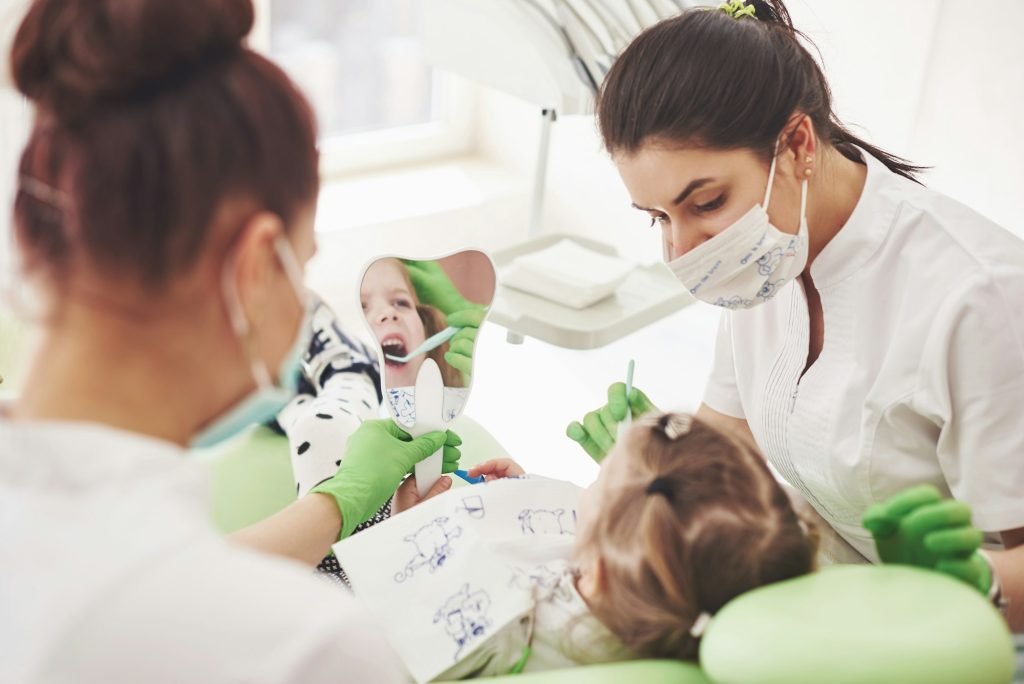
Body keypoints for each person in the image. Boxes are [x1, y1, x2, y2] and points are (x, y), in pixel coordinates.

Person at [0, 0, 458, 680]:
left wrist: (329, 510)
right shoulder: (309, 648)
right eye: (300, 267)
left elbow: (124, 584)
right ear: (252, 267)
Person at [566, 0, 1023, 628]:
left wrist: (973, 586)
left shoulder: (980, 299)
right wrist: (659, 467)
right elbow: (732, 446)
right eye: (657, 218)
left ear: (797, 144)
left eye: (705, 201)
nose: (682, 250)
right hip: (838, 602)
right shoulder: (767, 258)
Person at [344, 412, 821, 678]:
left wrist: (406, 524)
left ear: (600, 568)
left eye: (599, 481)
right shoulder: (657, 604)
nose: (580, 494)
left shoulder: (513, 633)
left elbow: (395, 629)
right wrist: (525, 490)